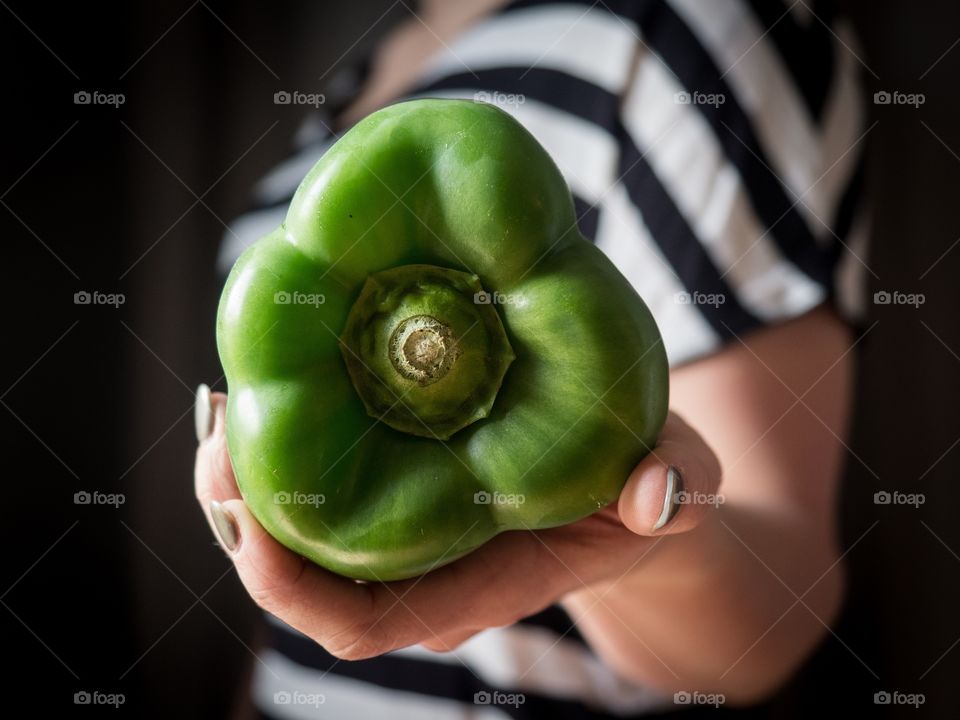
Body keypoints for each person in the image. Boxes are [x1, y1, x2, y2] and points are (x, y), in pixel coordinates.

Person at [195, 0, 870, 717]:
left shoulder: (701, 28)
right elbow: (284, 617)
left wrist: (637, 549)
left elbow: (774, 613)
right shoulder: (376, 59)